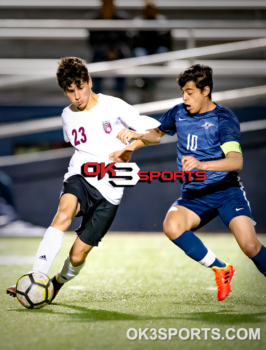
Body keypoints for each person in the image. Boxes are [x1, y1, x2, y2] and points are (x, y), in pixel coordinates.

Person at [6, 56, 159, 301]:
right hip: (80, 175)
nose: (77, 96)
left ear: (89, 81)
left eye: (80, 87)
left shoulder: (114, 106)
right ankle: (36, 276)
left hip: (110, 190)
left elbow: (156, 135)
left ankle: (55, 284)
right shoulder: (67, 115)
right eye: (70, 91)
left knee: (77, 257)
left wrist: (133, 143)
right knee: (63, 214)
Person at [109, 64, 266, 301]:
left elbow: (236, 161)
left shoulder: (224, 118)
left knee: (250, 246)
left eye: (190, 92)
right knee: (172, 226)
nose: (185, 97)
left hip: (226, 191)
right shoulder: (178, 112)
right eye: (183, 91)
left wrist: (203, 165)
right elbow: (157, 134)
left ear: (206, 91)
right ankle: (221, 269)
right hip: (194, 194)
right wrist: (134, 140)